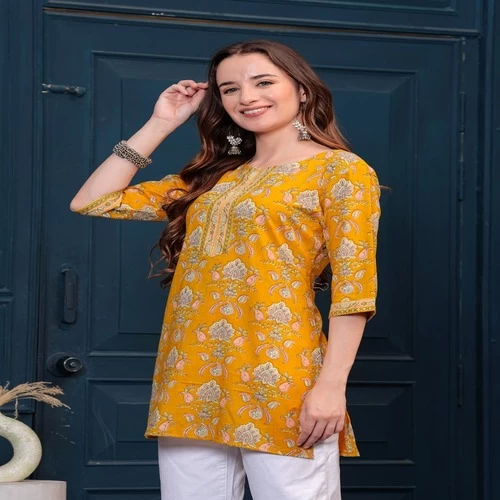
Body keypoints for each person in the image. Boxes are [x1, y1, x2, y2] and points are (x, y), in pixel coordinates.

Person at [70, 39, 381, 500]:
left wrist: (331, 386)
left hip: (280, 375)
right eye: (230, 89)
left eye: (263, 82)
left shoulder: (341, 172)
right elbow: (93, 200)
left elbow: (356, 289)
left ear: (302, 89)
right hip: (190, 377)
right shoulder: (214, 177)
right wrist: (161, 122)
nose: (246, 97)